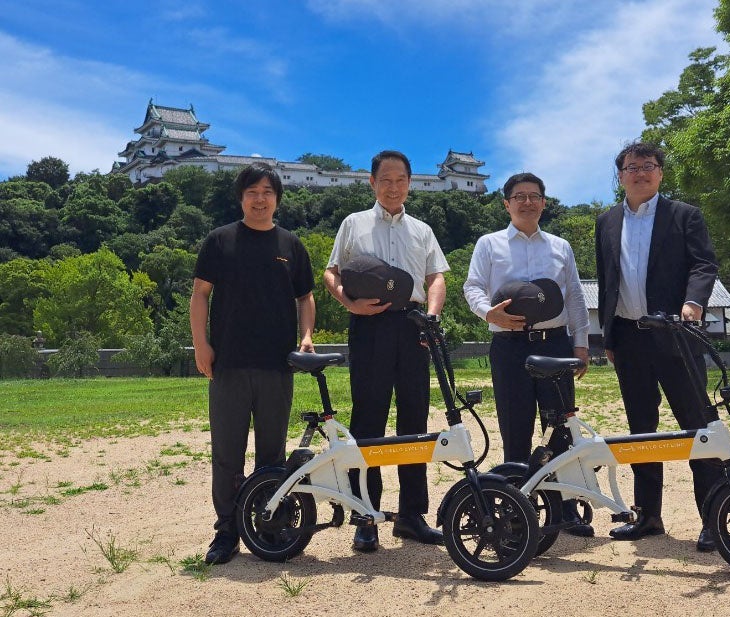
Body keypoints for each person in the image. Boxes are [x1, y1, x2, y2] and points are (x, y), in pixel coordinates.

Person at [595, 141, 720, 551]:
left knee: (698, 425)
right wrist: (609, 336)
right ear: (621, 176)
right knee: (640, 430)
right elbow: (607, 279)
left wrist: (693, 303)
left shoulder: (684, 215)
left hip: (676, 333)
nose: (640, 173)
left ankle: (714, 518)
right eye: (632, 167)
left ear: (660, 173)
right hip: (629, 339)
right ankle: (648, 515)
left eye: (648, 166)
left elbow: (705, 264)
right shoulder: (606, 221)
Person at [190, 162, 316, 565]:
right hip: (227, 361)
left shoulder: (291, 245)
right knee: (227, 452)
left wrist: (306, 336)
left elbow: (306, 298)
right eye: (252, 192)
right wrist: (201, 345)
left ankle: (269, 526)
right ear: (241, 197)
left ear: (277, 198)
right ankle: (226, 531)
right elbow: (200, 295)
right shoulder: (219, 240)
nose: (260, 199)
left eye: (267, 192)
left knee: (272, 453)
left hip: (277, 365)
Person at [324, 150, 449, 552]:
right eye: (385, 180)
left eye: (401, 180)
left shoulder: (423, 230)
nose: (393, 187)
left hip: (414, 326)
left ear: (410, 183)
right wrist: (348, 302)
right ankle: (366, 516)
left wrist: (431, 316)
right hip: (369, 324)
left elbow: (436, 279)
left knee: (414, 420)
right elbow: (331, 272)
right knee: (368, 420)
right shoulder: (353, 223)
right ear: (372, 182)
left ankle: (412, 516)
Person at [464, 172, 593, 537]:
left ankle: (567, 507)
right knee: (515, 427)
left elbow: (574, 296)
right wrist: (488, 313)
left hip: (554, 342)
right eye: (519, 196)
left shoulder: (560, 246)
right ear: (506, 203)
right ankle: (517, 511)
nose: (527, 202)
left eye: (534, 195)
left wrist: (580, 343)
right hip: (509, 345)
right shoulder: (488, 244)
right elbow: (472, 285)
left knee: (561, 427)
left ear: (544, 202)